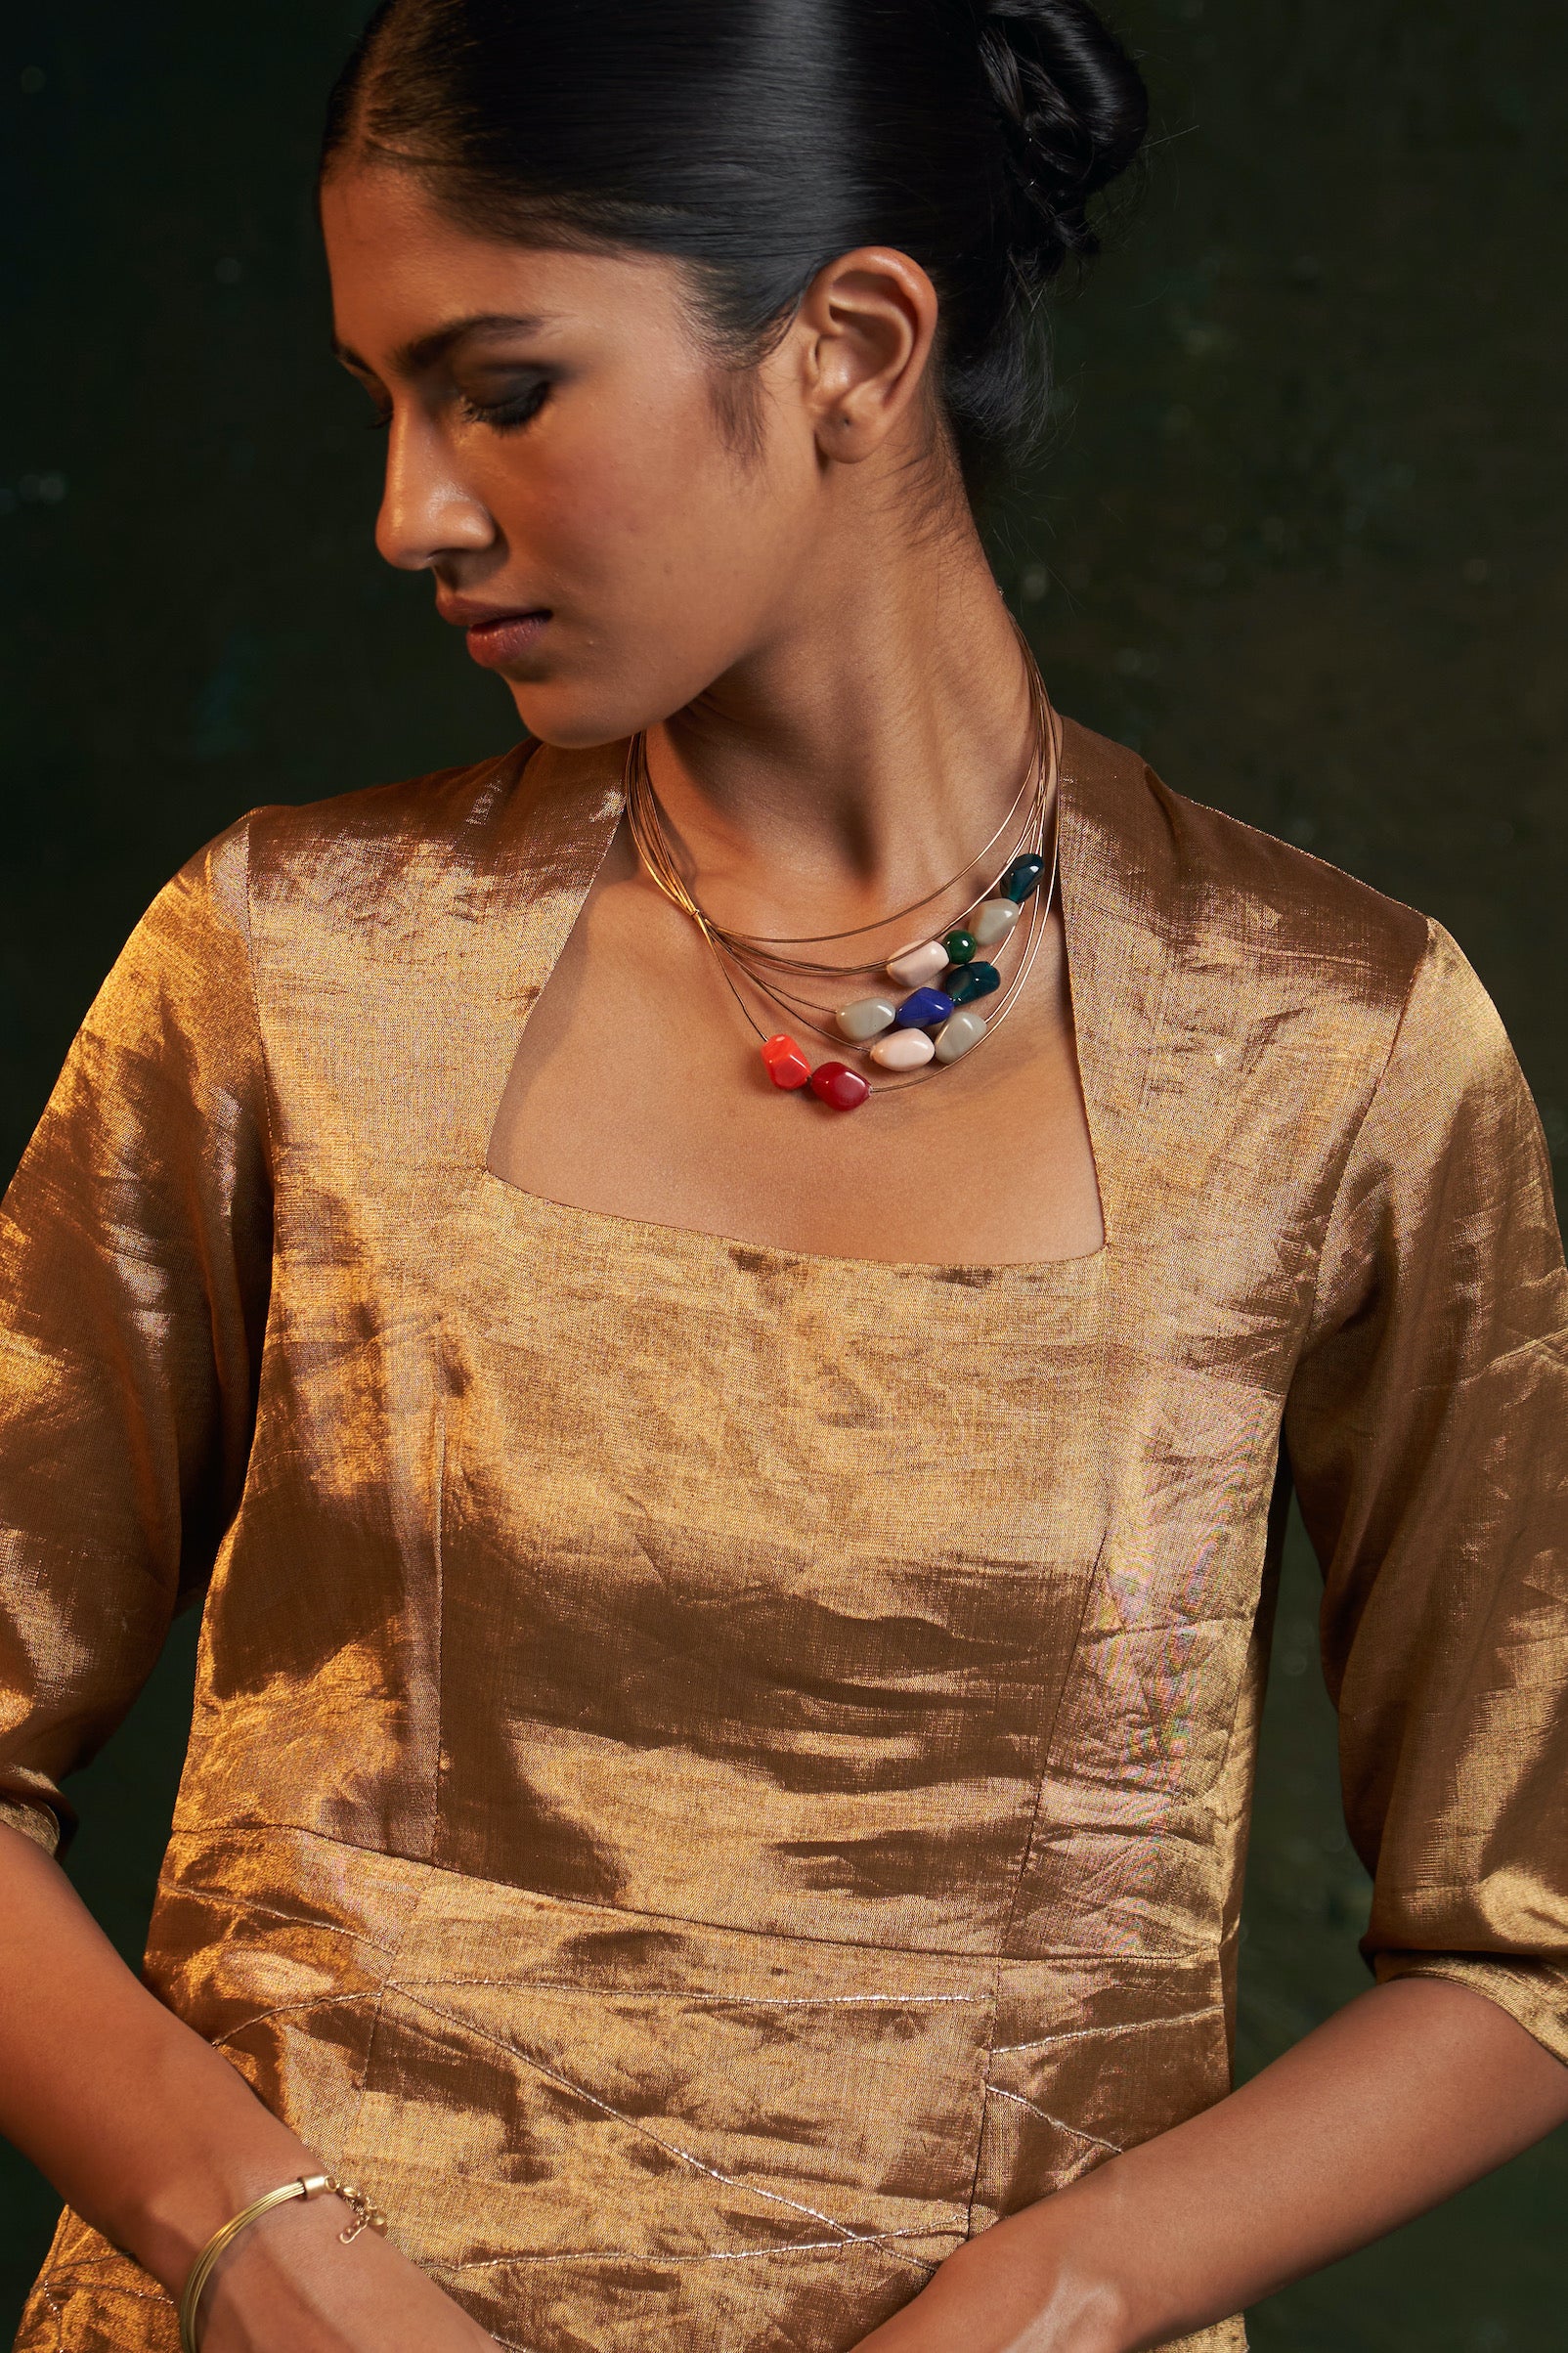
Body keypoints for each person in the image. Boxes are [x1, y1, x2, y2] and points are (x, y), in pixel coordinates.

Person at [3, 2, 1566, 2348]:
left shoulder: (1324, 1046)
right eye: (382, 403)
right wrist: (269, 2264)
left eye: (500, 388)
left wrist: (1058, 2289)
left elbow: (1527, 1938)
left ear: (849, 346)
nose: (411, 511)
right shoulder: (294, 970)